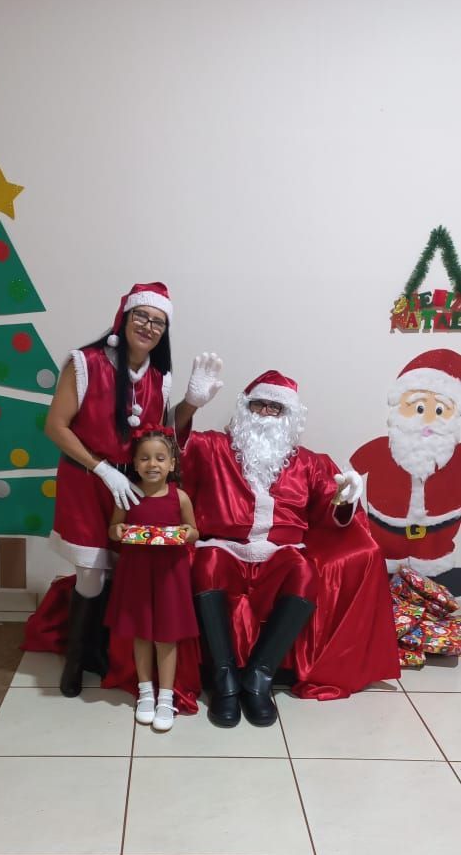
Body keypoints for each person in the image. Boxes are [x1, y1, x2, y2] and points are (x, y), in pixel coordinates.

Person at [180, 370, 400, 727]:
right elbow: (169, 448)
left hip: (279, 554)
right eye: (259, 404)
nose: (266, 413)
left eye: (276, 407)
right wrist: (189, 406)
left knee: (303, 571)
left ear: (290, 416)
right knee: (207, 564)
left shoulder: (310, 463)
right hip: (224, 547)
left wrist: (346, 500)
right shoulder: (213, 447)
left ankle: (258, 679)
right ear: (245, 408)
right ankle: (225, 681)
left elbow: (332, 514)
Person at [42, 280, 222, 697]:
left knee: (129, 569)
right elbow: (56, 427)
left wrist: (191, 403)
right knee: (90, 572)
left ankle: (108, 653)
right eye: (142, 316)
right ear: (124, 317)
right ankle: (76, 660)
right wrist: (103, 469)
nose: (148, 326)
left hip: (134, 485)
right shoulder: (85, 363)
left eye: (158, 321)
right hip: (87, 481)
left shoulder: (158, 377)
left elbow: (161, 435)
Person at [107, 425, 199, 731]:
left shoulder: (180, 497)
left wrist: (186, 533)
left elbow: (194, 531)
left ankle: (166, 696)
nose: (152, 464)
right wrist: (118, 531)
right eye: (145, 458)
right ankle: (145, 692)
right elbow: (113, 529)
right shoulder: (127, 495)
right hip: (136, 574)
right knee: (141, 633)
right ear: (135, 463)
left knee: (166, 636)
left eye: (160, 458)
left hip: (170, 576)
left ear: (172, 463)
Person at [350, 349, 461, 594]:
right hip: (385, 552)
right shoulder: (380, 449)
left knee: (438, 598)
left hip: (437, 554)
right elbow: (348, 477)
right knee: (381, 597)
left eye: (440, 410)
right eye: (419, 408)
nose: (428, 421)